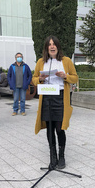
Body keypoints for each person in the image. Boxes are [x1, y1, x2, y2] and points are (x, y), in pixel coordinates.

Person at [32, 36, 78, 169]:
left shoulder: (66, 61)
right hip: (46, 97)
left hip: (60, 97)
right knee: (50, 128)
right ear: (47, 47)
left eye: (54, 44)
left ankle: (62, 156)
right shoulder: (41, 62)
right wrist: (40, 78)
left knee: (59, 128)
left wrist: (65, 76)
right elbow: (34, 79)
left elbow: (75, 78)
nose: (52, 47)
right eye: (49, 45)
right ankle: (53, 157)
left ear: (58, 47)